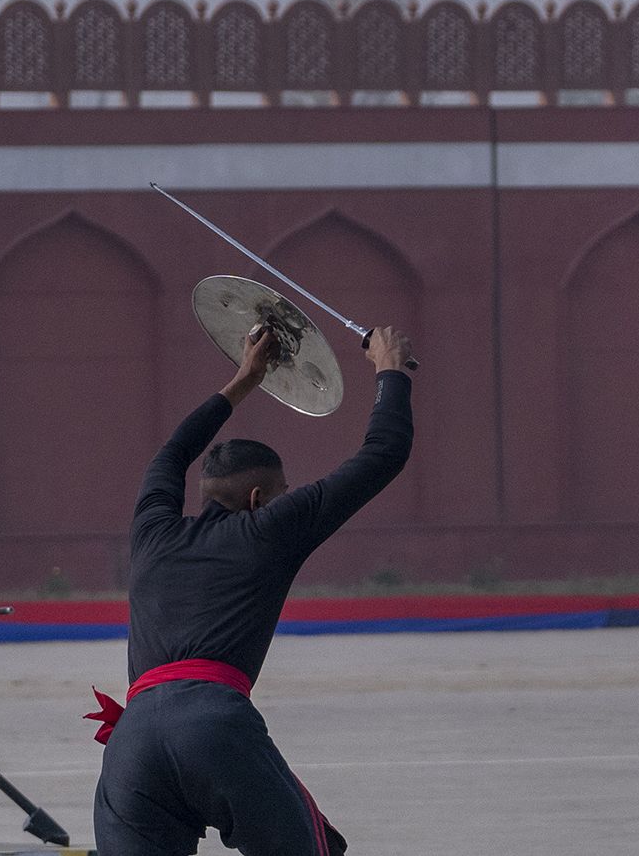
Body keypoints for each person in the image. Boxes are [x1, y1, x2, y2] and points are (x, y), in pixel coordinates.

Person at [90, 325, 415, 855]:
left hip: (134, 740)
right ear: (260, 498)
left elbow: (172, 454)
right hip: (214, 726)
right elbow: (384, 452)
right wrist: (390, 370)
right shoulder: (270, 530)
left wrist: (242, 381)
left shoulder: (151, 530)